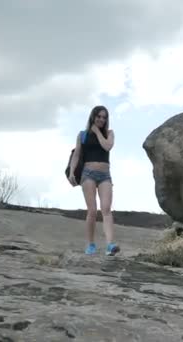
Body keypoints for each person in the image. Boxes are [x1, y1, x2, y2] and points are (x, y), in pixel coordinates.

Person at [68, 105, 120, 256]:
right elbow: (77, 155)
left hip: (105, 175)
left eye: (104, 117)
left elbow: (107, 147)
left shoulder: (109, 133)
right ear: (93, 116)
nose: (101, 119)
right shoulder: (82, 135)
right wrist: (72, 172)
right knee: (92, 210)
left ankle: (110, 245)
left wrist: (97, 131)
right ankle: (90, 245)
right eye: (99, 116)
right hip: (88, 174)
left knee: (106, 209)